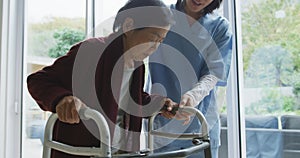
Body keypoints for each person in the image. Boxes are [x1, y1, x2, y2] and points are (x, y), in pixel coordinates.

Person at [27, 0, 177, 158]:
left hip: (119, 151)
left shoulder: (138, 66)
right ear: (128, 26)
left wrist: (159, 104)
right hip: (85, 150)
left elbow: (131, 101)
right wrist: (62, 99)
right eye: (153, 38)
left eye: (160, 41)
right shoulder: (91, 51)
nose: (155, 47)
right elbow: (38, 80)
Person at [147, 0, 233, 158]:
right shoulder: (160, 17)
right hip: (162, 122)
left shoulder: (220, 27)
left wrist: (194, 95)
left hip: (201, 123)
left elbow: (214, 73)